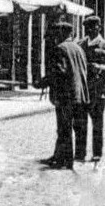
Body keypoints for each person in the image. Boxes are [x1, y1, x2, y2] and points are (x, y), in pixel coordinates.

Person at [39, 19, 90, 170]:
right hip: (80, 95)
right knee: (71, 127)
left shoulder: (60, 48)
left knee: (64, 127)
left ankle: (65, 161)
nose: (54, 37)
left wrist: (43, 82)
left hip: (66, 96)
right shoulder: (78, 48)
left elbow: (59, 73)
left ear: (61, 33)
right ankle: (59, 155)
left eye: (55, 34)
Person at [76, 16, 105, 163]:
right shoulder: (80, 45)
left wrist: (100, 68)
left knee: (97, 124)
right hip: (82, 90)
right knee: (80, 123)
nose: (90, 30)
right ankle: (80, 153)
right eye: (87, 27)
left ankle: (96, 153)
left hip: (98, 90)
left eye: (93, 27)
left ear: (99, 27)